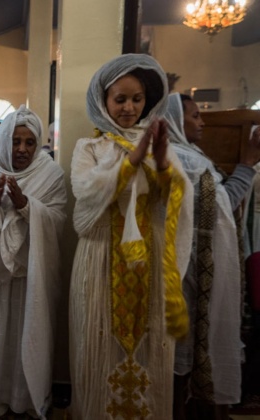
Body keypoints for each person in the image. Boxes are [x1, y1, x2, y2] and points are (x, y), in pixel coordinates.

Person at [69, 54, 194, 419]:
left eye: (136, 99)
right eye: (120, 99)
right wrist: (133, 160)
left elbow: (174, 199)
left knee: (150, 342)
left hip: (147, 261)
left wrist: (162, 165)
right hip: (100, 255)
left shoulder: (159, 145)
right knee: (95, 339)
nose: (128, 107)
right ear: (103, 100)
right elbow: (85, 191)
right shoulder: (89, 147)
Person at [0, 105, 67, 418]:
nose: (22, 149)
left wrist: (25, 205)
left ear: (38, 143)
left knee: (27, 330)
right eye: (15, 141)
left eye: (29, 142)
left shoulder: (50, 173)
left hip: (30, 271)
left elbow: (59, 222)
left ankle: (25, 397)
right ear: (4, 140)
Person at [166, 93, 260, 419]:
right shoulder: (186, 162)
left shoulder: (189, 156)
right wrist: (248, 162)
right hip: (189, 275)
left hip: (183, 270)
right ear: (174, 121)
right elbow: (224, 206)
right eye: (194, 116)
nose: (202, 122)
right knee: (184, 359)